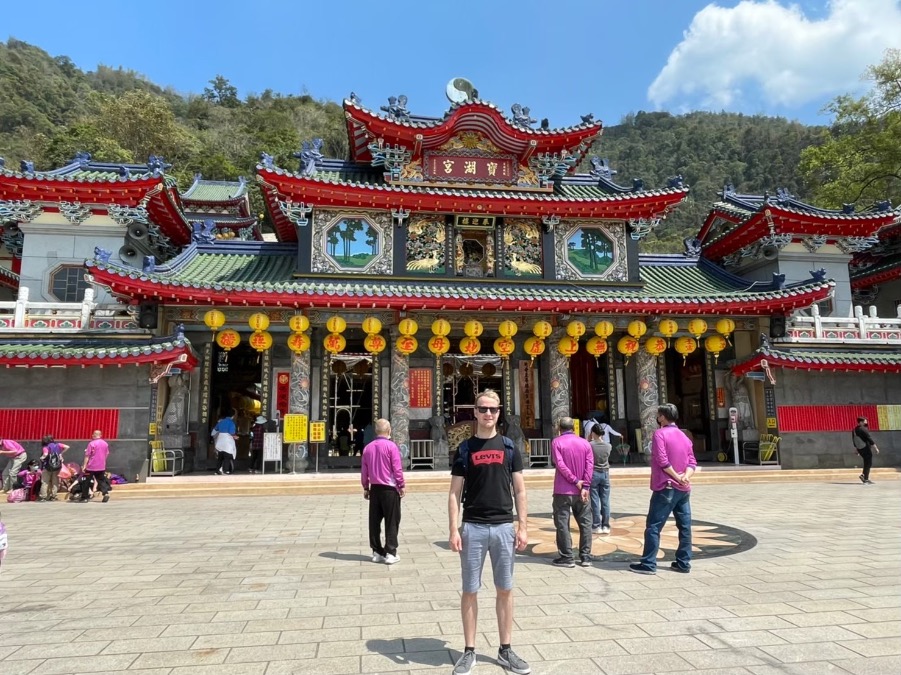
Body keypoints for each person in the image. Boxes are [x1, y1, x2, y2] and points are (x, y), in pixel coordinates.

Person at [448, 389, 530, 675]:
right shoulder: (465, 449)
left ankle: (505, 649)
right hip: (473, 527)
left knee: (505, 589)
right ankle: (469, 651)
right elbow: (454, 493)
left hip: (503, 526)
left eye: (493, 409)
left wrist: (523, 526)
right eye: (483, 409)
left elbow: (519, 490)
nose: (488, 414)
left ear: (499, 413)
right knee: (470, 590)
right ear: (475, 411)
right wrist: (453, 529)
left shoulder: (509, 447)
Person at [630, 403, 697, 575]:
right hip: (684, 488)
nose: (657, 418)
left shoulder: (660, 434)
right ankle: (683, 562)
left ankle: (649, 563)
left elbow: (662, 461)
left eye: (659, 415)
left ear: (662, 417)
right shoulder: (684, 436)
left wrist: (676, 477)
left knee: (653, 526)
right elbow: (692, 462)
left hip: (666, 487)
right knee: (685, 526)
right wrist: (685, 477)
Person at [360, 418, 406, 564]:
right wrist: (401, 484)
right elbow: (396, 469)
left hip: (375, 489)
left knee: (374, 522)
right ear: (389, 430)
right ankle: (391, 552)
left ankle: (377, 552)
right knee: (392, 520)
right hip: (390, 488)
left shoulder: (368, 448)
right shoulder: (391, 447)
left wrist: (366, 487)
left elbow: (364, 471)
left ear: (376, 431)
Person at [551, 417, 594, 568]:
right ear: (574, 428)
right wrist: (586, 486)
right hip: (582, 491)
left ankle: (567, 557)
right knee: (586, 523)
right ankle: (586, 556)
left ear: (559, 428)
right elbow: (590, 466)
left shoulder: (557, 442)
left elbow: (560, 464)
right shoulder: (585, 443)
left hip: (562, 490)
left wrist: (574, 480)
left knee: (562, 523)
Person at [588, 426, 613, 535]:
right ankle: (606, 525)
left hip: (594, 473)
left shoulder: (590, 445)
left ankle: (596, 525)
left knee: (594, 500)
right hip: (605, 473)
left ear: (593, 432)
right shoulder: (608, 446)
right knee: (605, 501)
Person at [83, 430, 111, 503]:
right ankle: (106, 493)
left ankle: (85, 497)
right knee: (101, 480)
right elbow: (107, 454)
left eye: (93, 434)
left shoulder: (91, 443)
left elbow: (87, 456)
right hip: (101, 466)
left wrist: (84, 466)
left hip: (90, 467)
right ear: (100, 435)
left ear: (94, 435)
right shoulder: (105, 443)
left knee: (86, 480)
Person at [39, 435, 70, 501]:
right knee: (55, 482)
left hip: (47, 467)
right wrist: (61, 453)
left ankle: (43, 497)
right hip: (57, 466)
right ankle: (53, 496)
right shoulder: (58, 445)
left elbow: (45, 454)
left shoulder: (45, 447)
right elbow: (67, 447)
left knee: (45, 482)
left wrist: (41, 458)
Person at [853, 417, 880, 484]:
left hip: (860, 448)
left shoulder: (854, 429)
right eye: (865, 421)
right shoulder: (863, 429)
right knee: (868, 463)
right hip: (865, 448)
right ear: (861, 422)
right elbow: (869, 438)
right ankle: (865, 478)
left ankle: (864, 477)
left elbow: (854, 440)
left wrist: (857, 449)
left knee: (866, 462)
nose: (866, 422)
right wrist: (875, 447)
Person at [213, 410, 237, 475]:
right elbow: (231, 432)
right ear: (233, 416)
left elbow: (216, 429)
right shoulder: (231, 423)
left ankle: (217, 470)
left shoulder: (221, 422)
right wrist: (235, 437)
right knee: (227, 456)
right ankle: (225, 470)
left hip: (220, 439)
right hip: (227, 440)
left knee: (220, 456)